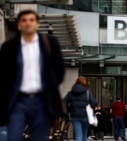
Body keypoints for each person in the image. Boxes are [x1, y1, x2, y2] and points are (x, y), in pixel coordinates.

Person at [0, 9, 65, 141]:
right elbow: (3, 74)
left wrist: (50, 87)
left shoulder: (49, 43)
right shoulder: (9, 47)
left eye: (31, 20)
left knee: (39, 138)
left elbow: (59, 70)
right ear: (19, 25)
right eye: (24, 20)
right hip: (18, 101)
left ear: (37, 24)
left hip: (42, 100)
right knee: (13, 136)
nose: (28, 23)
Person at [63, 76, 98, 141]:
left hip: (74, 116)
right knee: (84, 135)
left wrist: (67, 111)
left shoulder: (71, 93)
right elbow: (94, 103)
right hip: (86, 116)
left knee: (78, 135)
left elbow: (63, 102)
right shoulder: (88, 93)